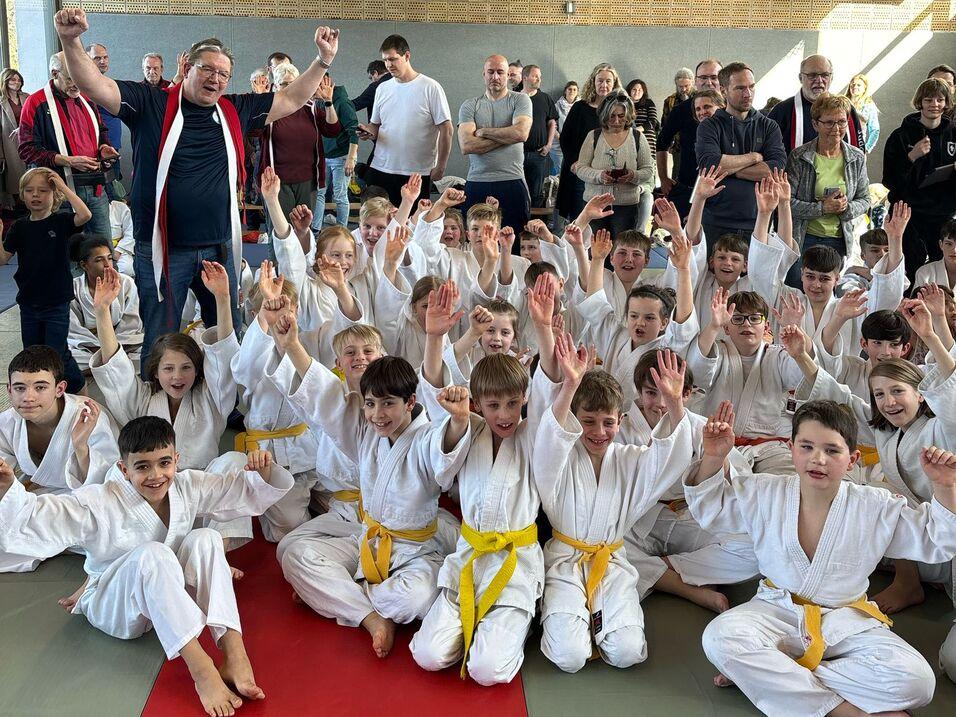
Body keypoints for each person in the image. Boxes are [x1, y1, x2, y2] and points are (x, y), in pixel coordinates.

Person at [52, 8, 340, 371]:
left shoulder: (235, 109)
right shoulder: (149, 103)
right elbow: (97, 86)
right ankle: (156, 404)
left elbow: (293, 98)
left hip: (219, 244)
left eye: (224, 73)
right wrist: (69, 39)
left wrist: (322, 61)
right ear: (187, 67)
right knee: (161, 333)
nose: (216, 79)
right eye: (207, 69)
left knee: (227, 328)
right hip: (161, 245)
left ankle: (228, 397)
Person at [0, 414, 294, 717]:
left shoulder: (187, 484)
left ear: (176, 459)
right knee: (153, 554)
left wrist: (265, 471)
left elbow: (241, 492)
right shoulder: (100, 501)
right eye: (142, 466)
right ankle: (202, 668)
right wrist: (7, 489)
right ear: (124, 469)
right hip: (113, 605)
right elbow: (46, 514)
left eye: (164, 463)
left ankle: (234, 652)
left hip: (164, 601)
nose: (156, 475)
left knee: (207, 538)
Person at [685, 400, 954, 716]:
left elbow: (936, 540)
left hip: (845, 620)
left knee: (918, 682)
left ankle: (767, 676)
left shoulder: (873, 505)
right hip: (776, 610)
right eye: (807, 446)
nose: (818, 459)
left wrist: (945, 486)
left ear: (851, 459)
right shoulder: (764, 492)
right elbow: (712, 510)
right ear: (791, 449)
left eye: (832, 450)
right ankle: (841, 711)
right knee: (720, 637)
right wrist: (714, 458)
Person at [268, 312, 471, 659]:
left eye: (389, 403)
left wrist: (460, 419)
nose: (378, 414)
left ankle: (341, 595)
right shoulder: (365, 428)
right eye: (371, 404)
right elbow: (327, 398)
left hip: (414, 551)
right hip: (369, 541)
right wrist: (291, 345)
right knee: (295, 556)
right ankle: (370, 617)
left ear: (410, 402)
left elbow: (447, 445)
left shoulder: (424, 438)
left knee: (411, 600)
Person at [408, 280, 558, 684]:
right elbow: (437, 386)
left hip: (516, 563)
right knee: (427, 655)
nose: (505, 413)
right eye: (493, 405)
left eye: (513, 402)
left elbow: (551, 387)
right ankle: (479, 627)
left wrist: (543, 330)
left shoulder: (533, 433)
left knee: (487, 669)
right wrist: (434, 336)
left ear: (524, 398)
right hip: (469, 559)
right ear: (478, 402)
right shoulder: (468, 427)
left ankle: (519, 621)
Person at [535, 342, 693, 673]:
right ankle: (568, 618)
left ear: (620, 420)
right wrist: (569, 386)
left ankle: (596, 621)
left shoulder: (628, 460)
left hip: (612, 564)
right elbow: (549, 440)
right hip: (565, 562)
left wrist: (675, 403)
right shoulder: (561, 458)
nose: (598, 432)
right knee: (570, 657)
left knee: (628, 652)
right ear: (574, 420)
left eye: (608, 422)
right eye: (588, 421)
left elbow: (670, 458)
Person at [0, 345, 118, 573]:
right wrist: (9, 483)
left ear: (59, 388)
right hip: (41, 501)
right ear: (9, 390)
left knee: (107, 531)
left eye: (40, 387)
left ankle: (52, 540)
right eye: (20, 388)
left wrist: (80, 446)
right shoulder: (7, 422)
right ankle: (55, 541)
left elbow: (107, 483)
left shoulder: (87, 416)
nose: (28, 397)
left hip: (86, 503)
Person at [0, 168, 90, 392]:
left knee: (56, 351)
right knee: (32, 351)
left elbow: (85, 215)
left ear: (55, 195)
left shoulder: (61, 222)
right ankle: (44, 392)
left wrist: (62, 186)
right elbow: (3, 259)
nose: (36, 195)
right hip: (29, 302)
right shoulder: (20, 227)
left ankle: (77, 386)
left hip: (56, 300)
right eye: (29, 191)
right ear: (22, 195)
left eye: (42, 190)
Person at [17, 52, 115, 237]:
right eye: (71, 79)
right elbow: (26, 149)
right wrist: (67, 161)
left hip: (95, 188)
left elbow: (101, 131)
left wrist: (103, 148)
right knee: (67, 253)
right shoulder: (35, 103)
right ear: (55, 73)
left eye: (80, 77)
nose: (77, 84)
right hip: (60, 191)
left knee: (103, 247)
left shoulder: (86, 99)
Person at [696, 62, 786, 250]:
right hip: (715, 220)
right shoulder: (709, 126)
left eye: (751, 87)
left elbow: (774, 170)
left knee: (753, 279)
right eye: (740, 88)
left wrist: (730, 170)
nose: (748, 94)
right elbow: (709, 166)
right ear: (723, 90)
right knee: (711, 279)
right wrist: (754, 157)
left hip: (756, 221)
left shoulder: (768, 126)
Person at [357, 35, 452, 206]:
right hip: (382, 166)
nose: (388, 65)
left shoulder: (430, 87)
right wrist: (368, 131)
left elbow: (447, 129)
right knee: (377, 224)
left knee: (411, 226)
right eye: (385, 60)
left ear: (407, 56)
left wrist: (441, 167)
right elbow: (376, 125)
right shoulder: (382, 88)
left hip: (416, 172)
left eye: (393, 59)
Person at [882, 77, 956, 285]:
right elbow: (890, 180)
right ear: (920, 102)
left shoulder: (953, 134)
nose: (934, 105)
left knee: (939, 270)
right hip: (908, 212)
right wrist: (912, 156)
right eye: (929, 100)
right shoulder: (901, 136)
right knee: (906, 267)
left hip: (941, 213)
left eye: (940, 100)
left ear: (947, 103)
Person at [259, 64, 341, 245]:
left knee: (303, 231)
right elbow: (253, 132)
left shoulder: (310, 108)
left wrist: (328, 102)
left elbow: (332, 129)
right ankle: (276, 272)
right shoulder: (270, 110)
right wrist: (260, 100)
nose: (288, 88)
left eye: (292, 83)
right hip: (277, 183)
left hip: (306, 180)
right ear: (275, 86)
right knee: (280, 233)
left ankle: (301, 270)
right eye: (283, 84)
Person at [786, 94, 870, 260]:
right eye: (830, 122)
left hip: (839, 241)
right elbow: (786, 202)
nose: (837, 128)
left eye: (841, 122)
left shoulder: (856, 157)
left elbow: (865, 200)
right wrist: (822, 208)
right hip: (803, 240)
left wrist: (846, 207)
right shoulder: (799, 156)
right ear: (815, 124)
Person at [458, 55, 532, 235]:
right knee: (477, 241)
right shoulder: (470, 105)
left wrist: (483, 132)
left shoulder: (520, 100)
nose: (495, 77)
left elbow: (521, 133)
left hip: (512, 180)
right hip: (477, 181)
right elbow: (467, 145)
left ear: (508, 75)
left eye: (500, 72)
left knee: (513, 242)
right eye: (490, 72)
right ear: (484, 74)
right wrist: (508, 135)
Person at [574, 90, 653, 238]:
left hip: (626, 205)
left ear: (628, 116)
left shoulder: (638, 137)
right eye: (612, 116)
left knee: (621, 248)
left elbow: (648, 170)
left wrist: (632, 175)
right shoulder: (593, 136)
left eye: (621, 116)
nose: (616, 121)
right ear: (604, 115)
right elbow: (581, 168)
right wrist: (599, 176)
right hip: (595, 203)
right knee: (595, 247)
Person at [656, 59, 723, 220]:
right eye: (703, 77)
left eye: (714, 77)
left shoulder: (733, 108)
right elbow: (662, 142)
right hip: (688, 187)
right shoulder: (681, 110)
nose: (709, 82)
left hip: (724, 192)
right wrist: (664, 178)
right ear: (696, 81)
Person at [556, 63, 622, 221]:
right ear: (593, 82)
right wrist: (573, 161)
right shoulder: (580, 107)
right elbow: (565, 138)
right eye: (600, 80)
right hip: (581, 172)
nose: (603, 85)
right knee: (580, 220)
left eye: (608, 81)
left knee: (604, 223)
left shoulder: (619, 111)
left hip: (607, 174)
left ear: (614, 84)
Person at [68, 233, 143, 372]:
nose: (108, 264)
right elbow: (74, 331)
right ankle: (112, 368)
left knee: (147, 353)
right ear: (84, 265)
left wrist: (114, 351)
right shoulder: (73, 289)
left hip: (122, 344)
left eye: (109, 258)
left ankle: (99, 369)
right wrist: (102, 351)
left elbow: (132, 322)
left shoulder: (126, 282)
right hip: (89, 348)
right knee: (67, 357)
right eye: (99, 260)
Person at [767, 54, 865, 154]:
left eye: (825, 75)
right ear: (800, 78)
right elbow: (768, 153)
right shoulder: (782, 112)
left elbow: (859, 152)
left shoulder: (847, 109)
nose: (819, 81)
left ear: (831, 78)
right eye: (812, 75)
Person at [320, 75, 359, 227]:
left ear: (327, 82)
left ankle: (342, 228)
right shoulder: (318, 103)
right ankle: (316, 230)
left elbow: (354, 132)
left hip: (341, 157)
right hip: (325, 156)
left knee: (340, 195)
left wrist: (351, 158)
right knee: (320, 193)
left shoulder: (342, 103)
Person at [86, 43, 124, 199]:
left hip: (113, 146)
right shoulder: (85, 85)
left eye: (105, 57)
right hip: (97, 150)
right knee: (108, 196)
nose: (102, 61)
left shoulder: (107, 82)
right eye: (97, 58)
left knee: (115, 188)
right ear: (87, 60)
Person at [521, 64, 558, 209]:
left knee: (537, 194)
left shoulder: (545, 98)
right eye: (535, 76)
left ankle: (534, 227)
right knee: (519, 191)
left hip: (539, 154)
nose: (539, 79)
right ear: (525, 77)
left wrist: (549, 145)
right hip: (518, 154)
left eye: (540, 77)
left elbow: (552, 123)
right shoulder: (516, 98)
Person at [0, 68, 28, 208]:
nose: (16, 82)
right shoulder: (1, 102)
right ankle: (20, 209)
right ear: (5, 81)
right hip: (9, 145)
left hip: (28, 141)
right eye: (13, 79)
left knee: (31, 175)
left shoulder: (27, 97)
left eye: (19, 80)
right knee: (15, 179)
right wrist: (1, 154)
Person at [846, 73, 879, 153]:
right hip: (841, 147)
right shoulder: (843, 102)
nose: (855, 87)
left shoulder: (869, 106)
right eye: (853, 84)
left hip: (858, 147)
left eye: (858, 85)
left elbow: (875, 130)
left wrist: (866, 148)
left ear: (865, 88)